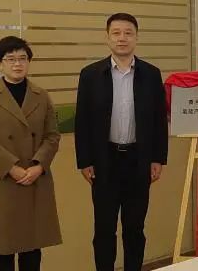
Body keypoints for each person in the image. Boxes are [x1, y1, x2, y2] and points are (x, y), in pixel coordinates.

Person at [74, 13, 168, 271]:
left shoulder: (151, 74)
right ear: (107, 38)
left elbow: (159, 120)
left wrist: (158, 158)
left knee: (135, 228)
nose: (122, 38)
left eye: (128, 33)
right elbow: (82, 121)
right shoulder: (90, 75)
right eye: (116, 33)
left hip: (139, 160)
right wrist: (84, 160)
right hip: (105, 161)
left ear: (136, 38)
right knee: (104, 229)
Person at [0, 36, 62, 271]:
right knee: (1, 249)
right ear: (0, 64)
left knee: (32, 251)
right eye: (10, 59)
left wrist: (39, 165)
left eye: (22, 58)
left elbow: (52, 135)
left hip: (34, 178)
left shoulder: (41, 96)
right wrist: (11, 168)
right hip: (1, 181)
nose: (17, 64)